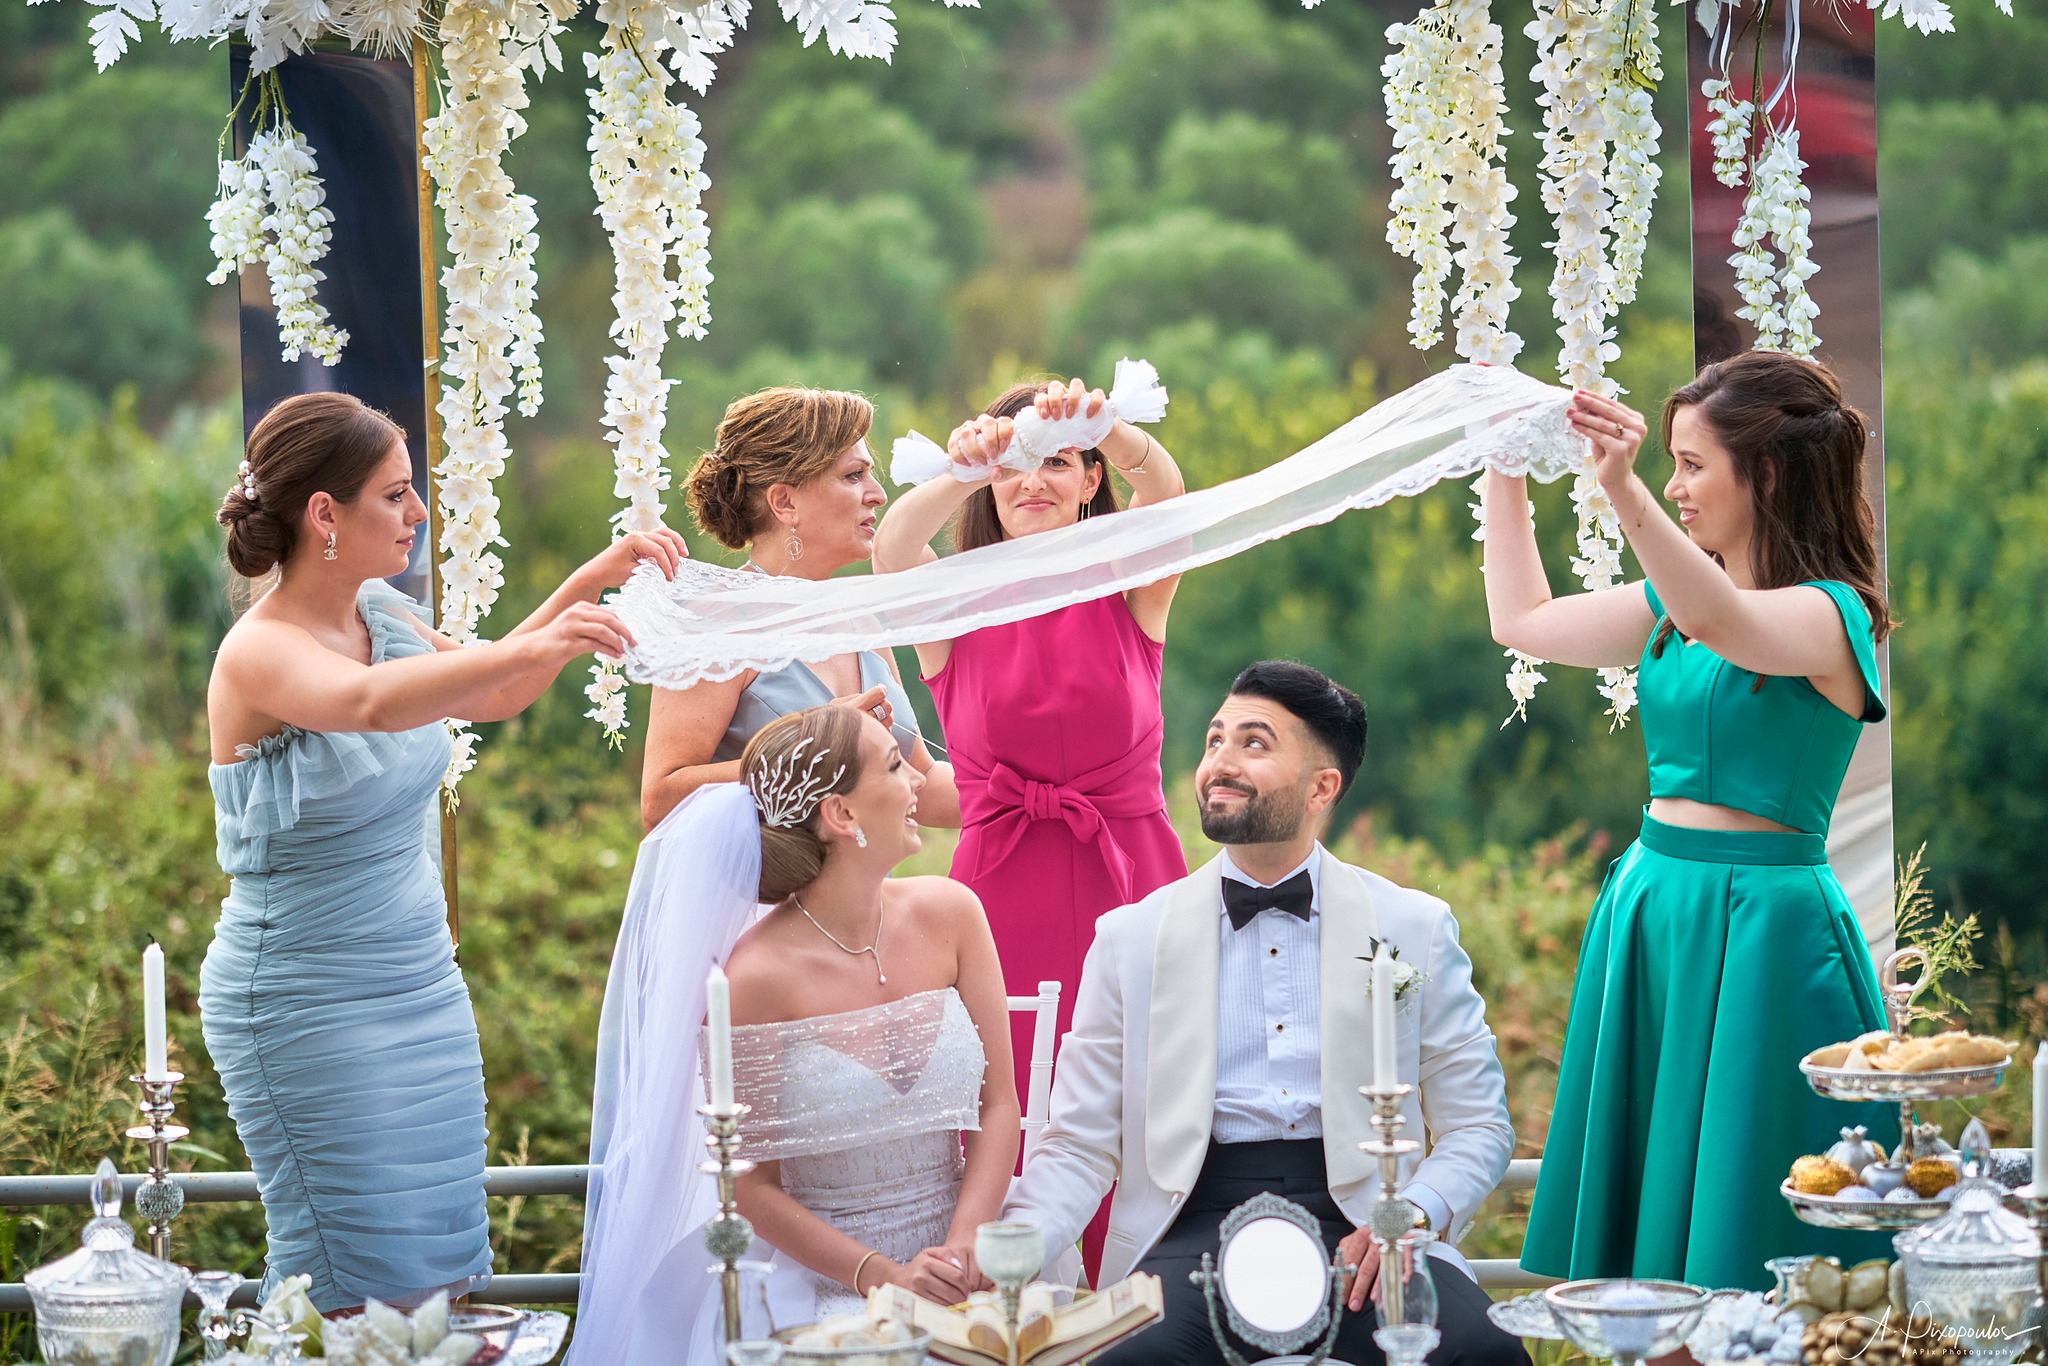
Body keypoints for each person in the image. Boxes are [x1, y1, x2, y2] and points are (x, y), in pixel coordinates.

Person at [202, 391, 683, 1310]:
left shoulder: (380, 614)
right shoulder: (256, 653)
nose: (418, 513)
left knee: (440, 1277)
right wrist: (552, 632)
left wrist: (593, 583)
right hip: (307, 998)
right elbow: (376, 704)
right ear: (323, 514)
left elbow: (490, 688)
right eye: (397, 495)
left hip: (421, 985)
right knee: (349, 1279)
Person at [1490, 352, 1894, 1288]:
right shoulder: (1676, 604)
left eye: (1691, 464)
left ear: (1770, 473)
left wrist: (1623, 489)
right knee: (1653, 1257)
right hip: (1655, 908)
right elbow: (1524, 619)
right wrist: (1502, 464)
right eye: (1667, 463)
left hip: (1767, 931)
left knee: (1755, 1233)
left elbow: (1726, 623)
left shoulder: (1833, 615)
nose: (1675, 486)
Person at [1003, 661, 1526, 1366]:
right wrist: (1016, 1243)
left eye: (1254, 743)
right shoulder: (1128, 939)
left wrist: (1414, 1214)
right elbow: (1080, 1145)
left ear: (1322, 787)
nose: (1220, 761)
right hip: (1189, 1226)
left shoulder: (1415, 927)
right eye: (1215, 739)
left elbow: (1478, 1126)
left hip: (1370, 1224)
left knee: (1484, 1354)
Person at [570, 703, 1017, 1365]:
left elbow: (998, 1104)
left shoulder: (954, 913)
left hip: (968, 1254)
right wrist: (883, 1279)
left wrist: (962, 1250)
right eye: (896, 767)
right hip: (822, 1282)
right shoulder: (755, 977)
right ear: (841, 815)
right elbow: (751, 1187)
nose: (919, 783)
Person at [870, 376, 1189, 1139]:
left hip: (1131, 869)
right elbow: (893, 549)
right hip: (997, 888)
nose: (1033, 482)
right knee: (1005, 1102)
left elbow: (1167, 492)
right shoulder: (949, 603)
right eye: (1014, 468)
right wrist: (966, 465)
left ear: (1089, 481)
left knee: (1153, 1109)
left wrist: (1102, 423)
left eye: (1056, 461)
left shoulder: (1131, 585)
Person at [640, 386, 957, 832]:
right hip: (761, 896)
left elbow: (920, 782)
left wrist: (1057, 787)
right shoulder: (714, 622)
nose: (878, 494)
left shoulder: (861, 622)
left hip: (860, 896)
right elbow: (661, 799)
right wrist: (811, 746)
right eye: (853, 476)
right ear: (785, 502)